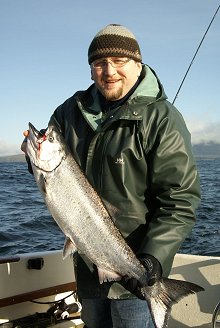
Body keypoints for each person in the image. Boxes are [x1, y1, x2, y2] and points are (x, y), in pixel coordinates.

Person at [21, 24, 201, 328]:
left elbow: (180, 201)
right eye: (100, 63)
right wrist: (32, 157)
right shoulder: (69, 111)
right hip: (89, 271)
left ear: (138, 64)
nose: (109, 71)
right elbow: (51, 175)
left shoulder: (162, 118)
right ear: (91, 69)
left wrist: (152, 260)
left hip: (137, 278)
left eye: (119, 61)